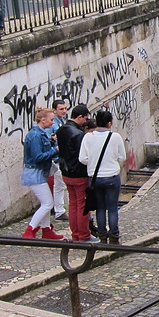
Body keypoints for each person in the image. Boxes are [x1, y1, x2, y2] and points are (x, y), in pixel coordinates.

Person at [79, 110, 127, 244]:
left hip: (95, 178)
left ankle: (102, 235)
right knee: (112, 208)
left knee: (100, 208)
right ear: (109, 123)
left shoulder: (88, 137)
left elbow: (82, 158)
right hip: (111, 176)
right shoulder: (115, 137)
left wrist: (93, 162)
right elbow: (122, 157)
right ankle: (114, 235)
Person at [56, 104, 99, 242]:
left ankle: (75, 234)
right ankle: (83, 235)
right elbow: (83, 156)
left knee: (73, 204)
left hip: (65, 172)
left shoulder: (61, 130)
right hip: (78, 173)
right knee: (82, 205)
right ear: (79, 117)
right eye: (85, 118)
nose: (86, 121)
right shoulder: (79, 135)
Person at [20, 108, 65, 239]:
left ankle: (46, 230)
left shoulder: (40, 133)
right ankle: (30, 229)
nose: (52, 123)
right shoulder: (35, 135)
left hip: (39, 172)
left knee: (46, 202)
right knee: (48, 203)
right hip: (35, 173)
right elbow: (38, 157)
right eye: (51, 120)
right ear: (43, 120)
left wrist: (51, 142)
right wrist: (55, 150)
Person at [48, 100, 69, 220]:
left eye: (65, 108)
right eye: (61, 109)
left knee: (59, 185)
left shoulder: (62, 121)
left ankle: (58, 210)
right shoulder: (53, 124)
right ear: (55, 110)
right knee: (60, 185)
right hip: (56, 158)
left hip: (60, 157)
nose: (64, 111)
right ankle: (59, 210)